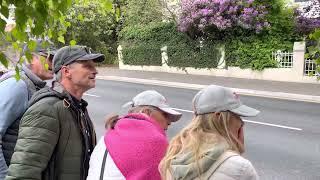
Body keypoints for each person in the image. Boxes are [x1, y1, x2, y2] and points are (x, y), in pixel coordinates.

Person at [5, 45, 105, 180]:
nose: (95, 71)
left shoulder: (78, 108)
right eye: (87, 66)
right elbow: (24, 172)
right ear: (66, 71)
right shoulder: (46, 109)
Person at [159, 85, 260, 180]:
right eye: (237, 116)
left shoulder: (174, 156)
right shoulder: (241, 168)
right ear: (219, 117)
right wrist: (235, 153)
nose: (241, 122)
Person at [86, 90, 182, 180]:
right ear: (146, 112)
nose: (169, 122)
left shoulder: (108, 136)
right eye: (165, 115)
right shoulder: (155, 140)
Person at [0, 43, 55, 179]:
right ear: (30, 58)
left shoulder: (33, 85)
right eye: (48, 57)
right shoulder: (17, 85)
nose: (53, 62)